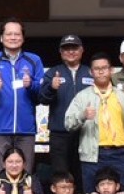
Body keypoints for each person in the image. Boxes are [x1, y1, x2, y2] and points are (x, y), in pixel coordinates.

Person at [66, 55, 124, 194]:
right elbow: (68, 123)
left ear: (111, 70)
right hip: (93, 154)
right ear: (91, 72)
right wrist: (83, 115)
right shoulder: (82, 96)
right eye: (97, 69)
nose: (101, 71)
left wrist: (121, 143)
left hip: (119, 153)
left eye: (104, 68)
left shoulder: (121, 96)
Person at [0, 20, 45, 165]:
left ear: (23, 38)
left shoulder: (34, 60)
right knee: (0, 171)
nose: (13, 37)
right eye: (9, 34)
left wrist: (31, 85)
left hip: (26, 127)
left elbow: (41, 94)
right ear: (1, 38)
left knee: (26, 171)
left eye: (17, 34)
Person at [39, 35, 92, 184]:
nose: (71, 52)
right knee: (60, 175)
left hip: (85, 132)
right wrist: (51, 87)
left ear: (82, 50)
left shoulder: (90, 72)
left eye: (74, 48)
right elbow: (42, 99)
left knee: (83, 173)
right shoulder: (52, 73)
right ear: (61, 52)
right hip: (59, 133)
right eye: (66, 49)